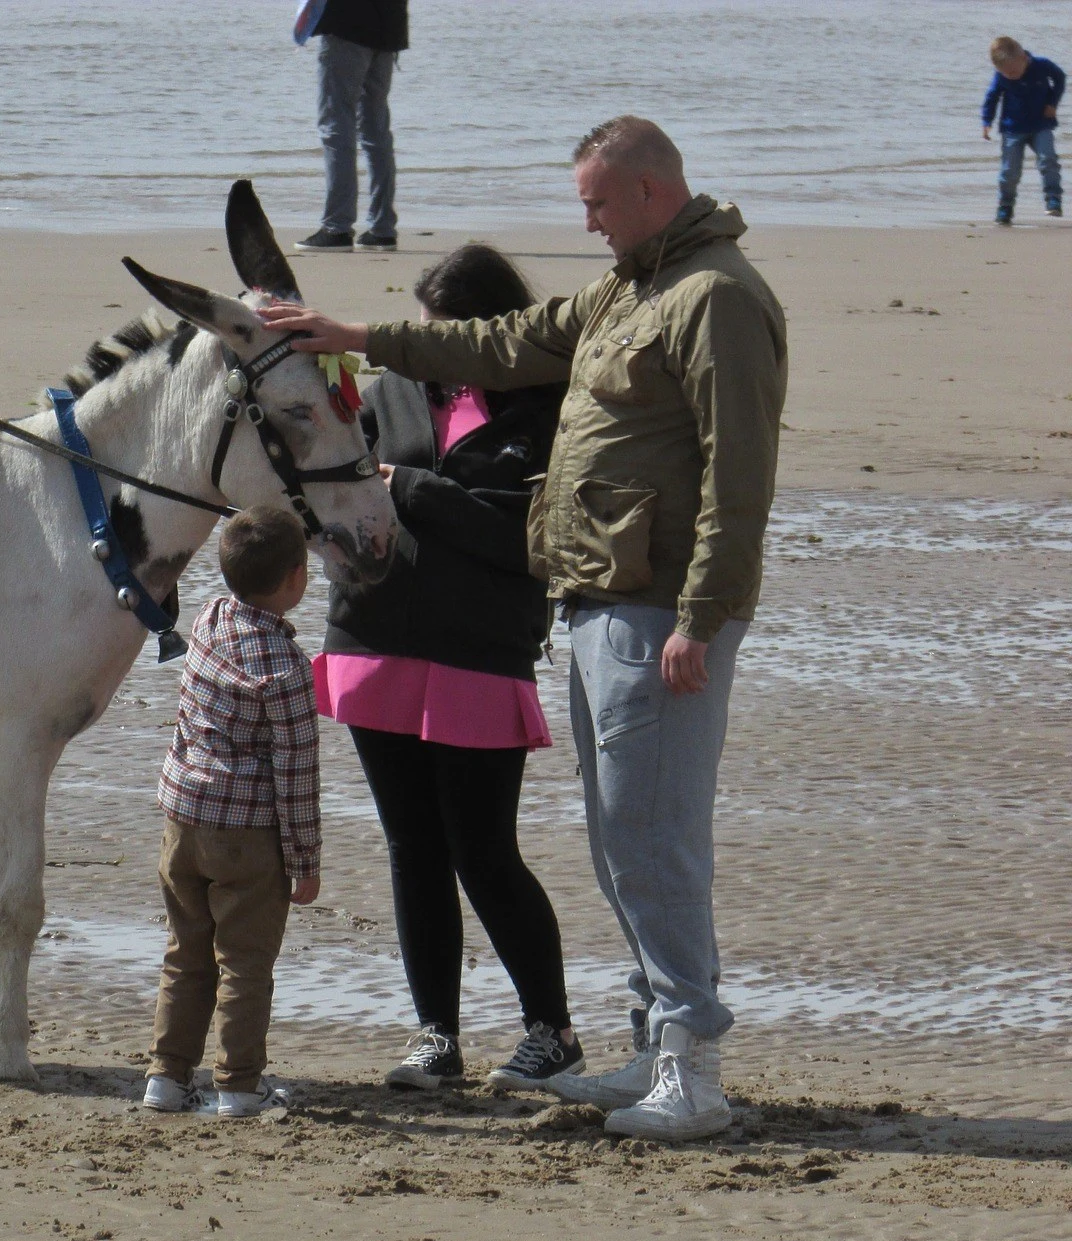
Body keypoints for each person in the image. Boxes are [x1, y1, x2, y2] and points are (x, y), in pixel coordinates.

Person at [260, 116, 787, 1143]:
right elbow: (497, 341)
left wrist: (703, 614)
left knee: (653, 840)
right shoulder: (628, 286)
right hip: (598, 597)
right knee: (616, 839)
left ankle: (693, 1070)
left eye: (595, 201)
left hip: (660, 607)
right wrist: (358, 339)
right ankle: (651, 1045)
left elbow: (740, 474)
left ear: (646, 189)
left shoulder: (715, 295)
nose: (585, 221)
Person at [313, 243, 580, 1093]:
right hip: (374, 637)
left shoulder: (548, 409)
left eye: (444, 336)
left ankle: (551, 1029)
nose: (428, 350)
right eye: (421, 334)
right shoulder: (384, 391)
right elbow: (330, 491)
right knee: (411, 848)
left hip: (479, 649)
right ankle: (437, 1036)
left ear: (491, 334)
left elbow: (527, 541)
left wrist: (413, 489)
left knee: (484, 851)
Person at [144, 506, 322, 1120]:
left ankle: (166, 1077)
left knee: (185, 951)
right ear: (297, 579)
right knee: (244, 963)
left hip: (182, 818)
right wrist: (305, 862)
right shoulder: (288, 668)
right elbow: (296, 774)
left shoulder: (210, 619)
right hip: (247, 833)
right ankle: (239, 1086)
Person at [294, 0, 409, 253]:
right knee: (375, 130)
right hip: (388, 26)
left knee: (337, 127)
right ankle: (382, 228)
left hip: (348, 25)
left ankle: (338, 227)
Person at [982, 35, 1064, 224]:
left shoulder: (1041, 65)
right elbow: (992, 97)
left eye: (1013, 71)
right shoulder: (1001, 76)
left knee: (1048, 159)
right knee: (1010, 170)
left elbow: (1060, 78)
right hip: (1013, 129)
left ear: (1023, 58)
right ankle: (1005, 206)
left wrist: (1052, 103)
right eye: (1006, 73)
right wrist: (987, 122)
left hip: (1041, 125)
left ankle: (1053, 198)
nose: (1010, 76)